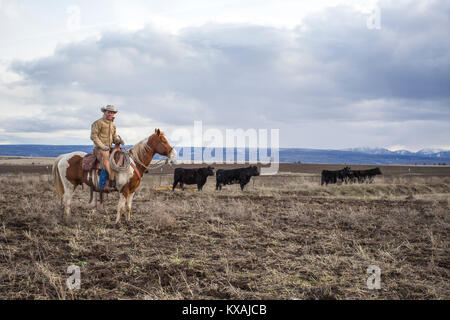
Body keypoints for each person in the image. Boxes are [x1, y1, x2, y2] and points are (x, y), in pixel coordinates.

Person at [90, 105, 125, 190]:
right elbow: (93, 136)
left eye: (112, 113)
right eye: (108, 112)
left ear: (114, 114)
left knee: (120, 156)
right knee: (106, 160)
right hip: (99, 148)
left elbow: (114, 137)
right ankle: (109, 181)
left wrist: (118, 141)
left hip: (109, 147)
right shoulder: (98, 123)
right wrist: (102, 146)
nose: (110, 114)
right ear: (105, 112)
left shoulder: (113, 125)